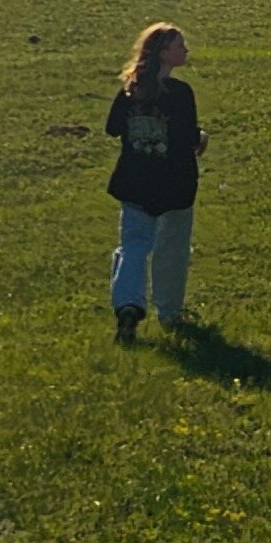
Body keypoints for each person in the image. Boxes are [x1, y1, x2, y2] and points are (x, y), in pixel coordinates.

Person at [102, 20, 204, 343]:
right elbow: (188, 137)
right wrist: (201, 137)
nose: (185, 51)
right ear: (163, 53)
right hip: (174, 185)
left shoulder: (130, 90)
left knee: (133, 246)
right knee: (172, 249)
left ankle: (128, 306)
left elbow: (113, 127)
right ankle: (170, 311)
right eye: (179, 46)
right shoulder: (180, 94)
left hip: (135, 182)